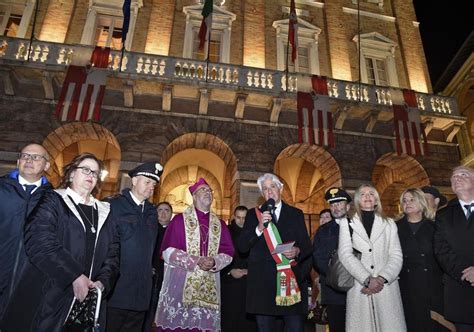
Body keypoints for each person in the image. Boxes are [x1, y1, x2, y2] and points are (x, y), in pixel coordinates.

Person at [0, 153, 120, 332]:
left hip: (89, 299)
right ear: (71, 174)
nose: (90, 175)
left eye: (95, 173)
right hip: (52, 293)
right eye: (85, 170)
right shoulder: (53, 200)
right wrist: (74, 275)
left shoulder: (104, 211)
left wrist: (103, 282)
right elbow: (39, 240)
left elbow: (113, 251)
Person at [155, 177, 234, 331]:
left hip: (209, 287)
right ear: (194, 196)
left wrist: (214, 262)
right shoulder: (179, 221)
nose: (208, 192)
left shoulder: (220, 224)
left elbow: (229, 252)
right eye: (203, 190)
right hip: (181, 284)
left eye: (209, 190)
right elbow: (167, 252)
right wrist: (196, 260)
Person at [238, 173, 312, 332]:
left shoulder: (296, 214)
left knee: (295, 328)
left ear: (280, 188)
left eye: (272, 186)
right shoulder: (253, 215)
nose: (269, 191)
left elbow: (306, 245)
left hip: (290, 283)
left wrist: (297, 250)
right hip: (263, 285)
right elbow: (242, 247)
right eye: (265, 189)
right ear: (262, 194)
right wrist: (259, 228)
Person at [338, 184, 405, 332]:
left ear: (376, 200)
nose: (367, 196)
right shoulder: (347, 223)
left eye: (371, 193)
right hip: (359, 286)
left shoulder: (389, 224)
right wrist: (367, 279)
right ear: (357, 200)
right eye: (362, 194)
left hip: (386, 287)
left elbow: (396, 255)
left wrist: (381, 278)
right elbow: (345, 254)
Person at [106, 162, 163, 332]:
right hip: (117, 289)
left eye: (154, 184)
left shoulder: (152, 212)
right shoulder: (113, 206)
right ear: (134, 180)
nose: (151, 187)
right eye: (147, 182)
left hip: (141, 292)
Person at [0, 143, 52, 319]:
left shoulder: (54, 199)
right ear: (17, 161)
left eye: (36, 157)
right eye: (25, 156)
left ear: (46, 166)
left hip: (29, 284)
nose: (29, 160)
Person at [397, 188, 449, 331]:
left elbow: (444, 256)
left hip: (432, 287)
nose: (407, 203)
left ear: (421, 202)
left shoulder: (435, 227)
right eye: (405, 200)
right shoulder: (395, 228)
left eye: (412, 199)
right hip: (406, 287)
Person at [434, 166, 474, 331]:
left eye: (463, 174)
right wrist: (465, 273)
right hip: (460, 288)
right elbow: (441, 250)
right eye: (453, 177)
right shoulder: (443, 215)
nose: (456, 178)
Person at [312, 187, 351, 332]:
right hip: (333, 288)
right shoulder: (323, 230)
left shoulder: (357, 226)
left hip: (356, 287)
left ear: (347, 206)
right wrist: (336, 276)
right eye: (332, 205)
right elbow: (318, 256)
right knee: (337, 326)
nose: (335, 207)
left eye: (339, 203)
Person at [221, 206, 257, 332]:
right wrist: (230, 271)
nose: (241, 221)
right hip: (230, 281)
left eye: (244, 218)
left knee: (248, 319)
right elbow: (220, 254)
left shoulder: (255, 232)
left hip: (250, 281)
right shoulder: (226, 232)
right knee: (230, 317)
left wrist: (250, 271)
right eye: (238, 217)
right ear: (233, 217)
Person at [144, 201, 173, 331]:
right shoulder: (149, 229)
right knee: (149, 310)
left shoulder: (174, 231)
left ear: (171, 213)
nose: (163, 213)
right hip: (151, 276)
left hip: (169, 277)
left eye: (166, 210)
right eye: (160, 210)